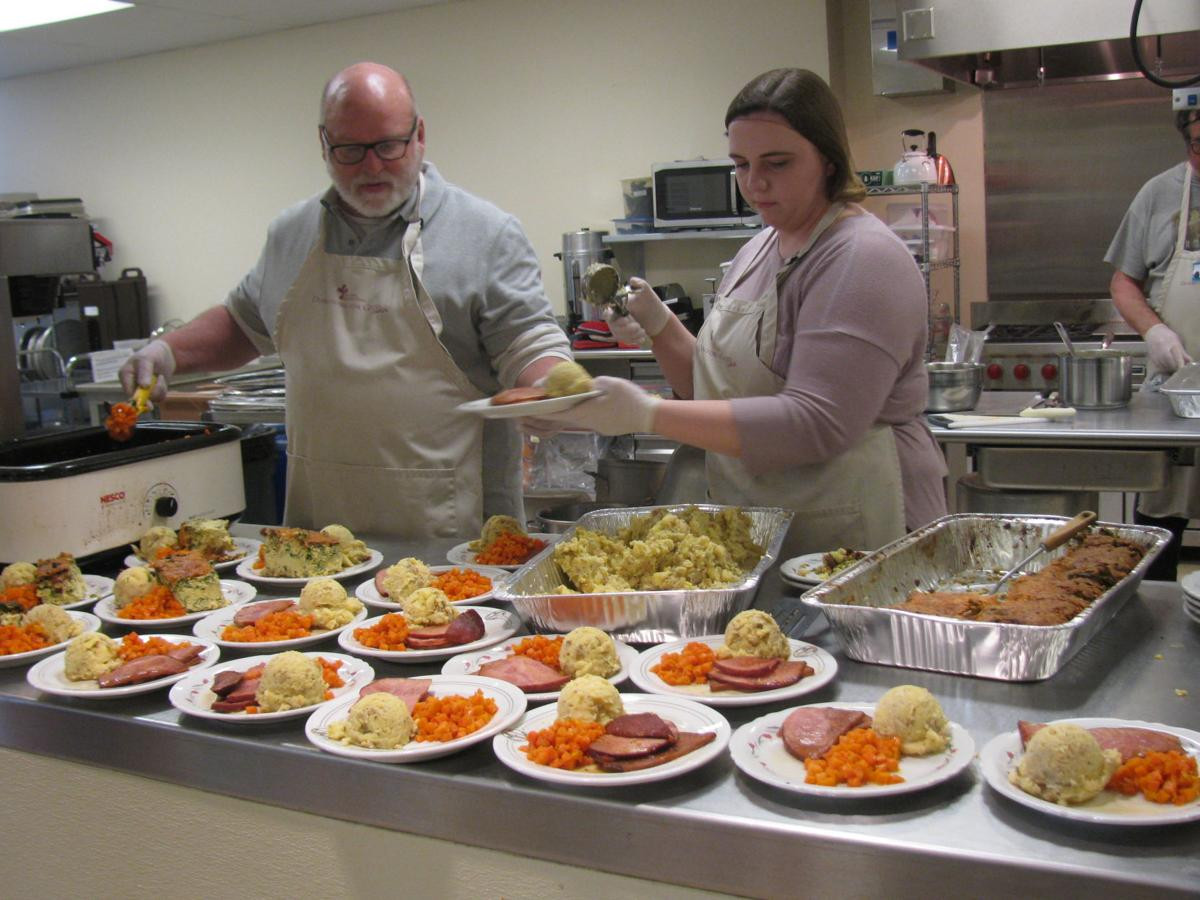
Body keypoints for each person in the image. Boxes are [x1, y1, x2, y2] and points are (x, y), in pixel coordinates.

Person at [120, 62, 570, 537]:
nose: (371, 166)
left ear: (419, 135)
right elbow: (243, 322)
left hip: (453, 534)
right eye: (350, 150)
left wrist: (552, 387)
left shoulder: (484, 233)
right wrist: (167, 351)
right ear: (323, 144)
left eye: (388, 146)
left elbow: (528, 340)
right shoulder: (290, 234)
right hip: (320, 533)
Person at [529, 68, 947, 555]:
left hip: (858, 530)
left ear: (828, 159)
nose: (755, 183)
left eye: (778, 162)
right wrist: (659, 326)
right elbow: (706, 387)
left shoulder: (860, 258)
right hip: (772, 523)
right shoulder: (759, 249)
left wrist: (645, 414)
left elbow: (816, 424)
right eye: (741, 164)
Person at [1106, 108, 1200, 580]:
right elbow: (1124, 282)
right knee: (1161, 525)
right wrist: (1153, 330)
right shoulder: (1159, 194)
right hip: (1172, 395)